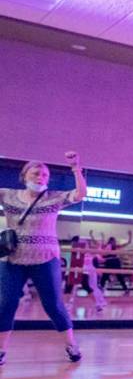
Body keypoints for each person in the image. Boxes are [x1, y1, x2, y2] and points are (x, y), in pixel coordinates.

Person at [0, 153, 87, 364]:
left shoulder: (53, 198)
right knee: (5, 304)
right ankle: (1, 350)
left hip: (46, 259)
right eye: (36, 173)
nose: (41, 177)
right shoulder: (7, 195)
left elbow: (80, 194)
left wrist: (76, 169)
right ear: (24, 176)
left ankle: (71, 345)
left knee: (53, 305)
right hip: (12, 260)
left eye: (45, 175)